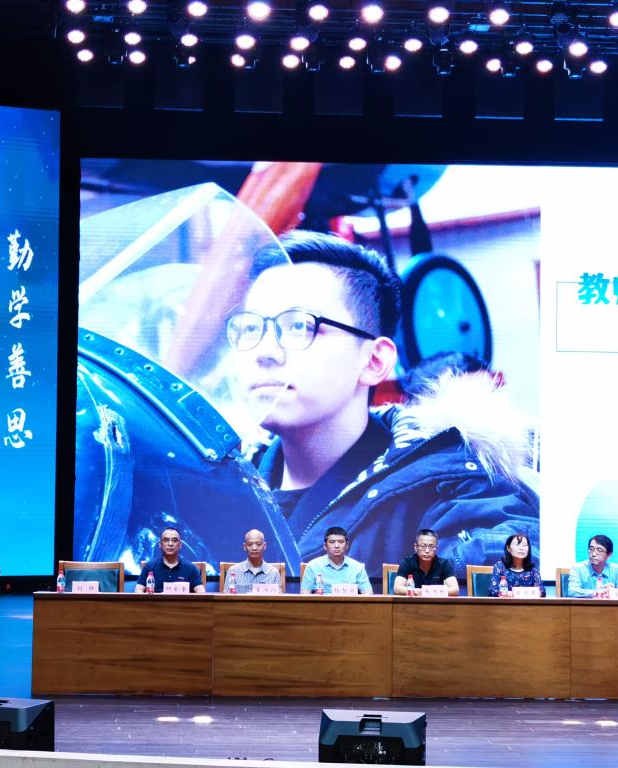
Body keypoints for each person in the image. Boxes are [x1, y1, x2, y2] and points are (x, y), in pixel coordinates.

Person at [230, 230, 540, 577]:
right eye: (249, 328)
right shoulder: (218, 482)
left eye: (299, 326)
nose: (264, 352)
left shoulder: (449, 489)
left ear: (375, 361)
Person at [300, 526, 372, 594]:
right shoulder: (313, 566)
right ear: (325, 546)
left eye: (341, 542)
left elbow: (368, 594)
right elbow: (305, 594)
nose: (336, 546)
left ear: (347, 545)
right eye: (332, 542)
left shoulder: (358, 567)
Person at [134, 527, 205, 593]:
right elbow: (138, 590)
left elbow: (201, 592)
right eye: (166, 540)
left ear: (180, 544)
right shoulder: (150, 567)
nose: (170, 544)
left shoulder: (191, 568)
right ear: (160, 544)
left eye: (174, 540)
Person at [393, 528, 459, 596]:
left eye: (431, 546)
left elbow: (455, 590)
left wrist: (427, 592)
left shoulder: (444, 563)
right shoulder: (407, 562)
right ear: (415, 547)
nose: (427, 551)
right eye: (423, 546)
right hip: (413, 601)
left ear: (436, 548)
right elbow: (397, 588)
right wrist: (420, 592)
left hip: (435, 602)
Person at [224, 529, 282, 594]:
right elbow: (226, 598)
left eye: (258, 544)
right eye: (250, 544)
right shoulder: (233, 571)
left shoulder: (273, 573)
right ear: (244, 547)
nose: (254, 548)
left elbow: (278, 599)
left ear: (264, 546)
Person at [488, 533, 545, 597]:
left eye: (524, 545)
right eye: (517, 544)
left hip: (526, 603)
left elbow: (541, 591)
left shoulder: (532, 570)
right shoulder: (500, 567)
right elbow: (493, 591)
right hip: (505, 603)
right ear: (508, 548)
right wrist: (517, 594)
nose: (521, 548)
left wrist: (510, 594)